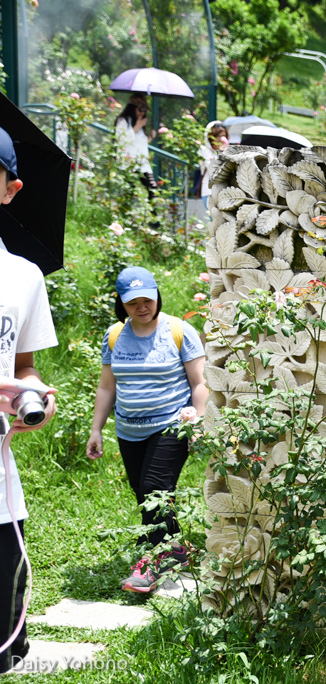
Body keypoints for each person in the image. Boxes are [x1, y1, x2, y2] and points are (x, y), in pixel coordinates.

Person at [86, 267, 208, 593]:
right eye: (132, 303)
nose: (142, 307)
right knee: (146, 496)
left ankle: (151, 562)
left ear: (157, 296)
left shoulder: (179, 331)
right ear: (121, 304)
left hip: (170, 424)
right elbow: (107, 388)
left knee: (154, 489)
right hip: (128, 430)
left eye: (147, 300)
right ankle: (176, 550)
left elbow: (200, 383)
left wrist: (198, 418)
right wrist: (96, 429)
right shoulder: (114, 336)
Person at [0, 126, 58, 673]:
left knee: (4, 624)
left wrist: (29, 396)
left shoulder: (23, 277)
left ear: (10, 189)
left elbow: (23, 366)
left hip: (0, 483)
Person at [114, 94, 157, 198]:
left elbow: (140, 143)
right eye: (140, 110)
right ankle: (127, 213)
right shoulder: (123, 121)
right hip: (128, 163)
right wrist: (138, 126)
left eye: (144, 111)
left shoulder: (140, 124)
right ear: (132, 108)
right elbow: (121, 140)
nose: (142, 113)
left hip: (142, 163)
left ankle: (153, 214)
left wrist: (150, 137)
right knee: (128, 192)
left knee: (153, 190)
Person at [198, 122, 229, 210]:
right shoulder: (204, 150)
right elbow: (213, 169)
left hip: (225, 192)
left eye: (223, 136)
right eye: (218, 136)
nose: (221, 139)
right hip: (209, 192)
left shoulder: (227, 150)